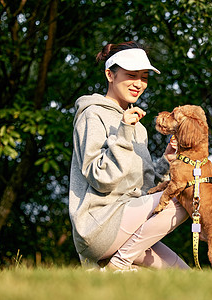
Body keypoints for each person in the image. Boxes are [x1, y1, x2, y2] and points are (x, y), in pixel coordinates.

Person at [68, 41, 189, 272]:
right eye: (131, 75)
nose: (139, 83)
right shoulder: (92, 115)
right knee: (187, 194)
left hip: (130, 222)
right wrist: (123, 131)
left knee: (185, 276)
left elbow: (143, 188)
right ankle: (119, 265)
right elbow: (100, 178)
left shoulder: (136, 125)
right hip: (100, 224)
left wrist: (166, 161)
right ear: (109, 74)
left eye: (144, 77)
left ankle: (117, 266)